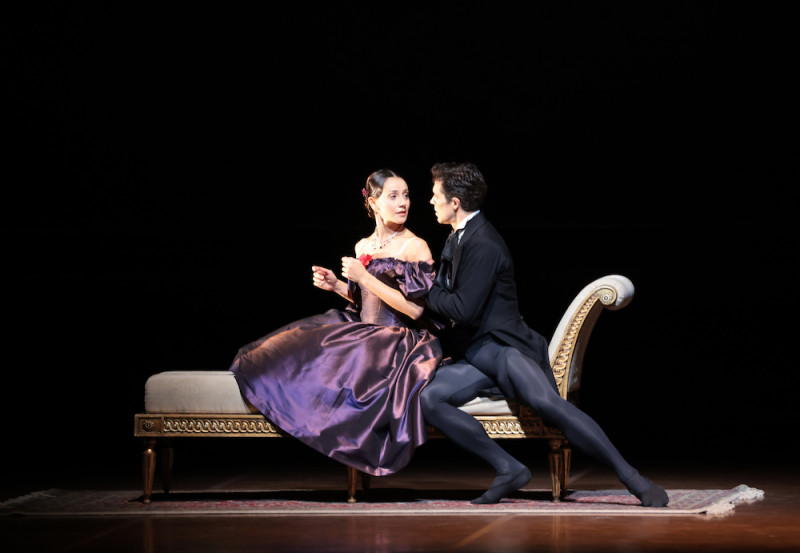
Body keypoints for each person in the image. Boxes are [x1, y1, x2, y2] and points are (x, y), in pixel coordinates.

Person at [420, 161, 669, 507]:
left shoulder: (485, 243)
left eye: (435, 195)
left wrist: (424, 291)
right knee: (428, 399)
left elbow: (463, 309)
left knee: (547, 404)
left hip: (506, 350)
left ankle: (633, 478)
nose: (431, 201)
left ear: (455, 202)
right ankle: (508, 468)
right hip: (478, 355)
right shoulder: (459, 236)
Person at [229, 169, 441, 476]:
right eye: (393, 196)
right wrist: (338, 287)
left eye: (406, 195)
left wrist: (363, 276)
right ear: (373, 203)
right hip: (366, 330)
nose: (403, 203)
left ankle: (354, 449)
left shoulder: (414, 246)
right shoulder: (362, 246)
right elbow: (368, 300)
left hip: (396, 338)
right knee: (289, 350)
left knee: (350, 359)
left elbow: (415, 310)